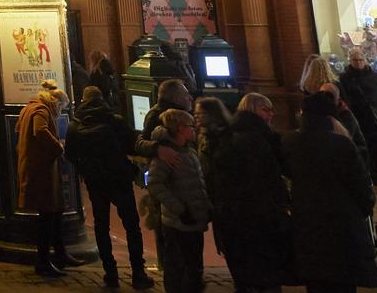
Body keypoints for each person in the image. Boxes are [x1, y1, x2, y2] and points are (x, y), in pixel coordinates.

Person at [282, 90, 377, 292]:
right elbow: (361, 185)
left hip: (307, 222)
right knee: (343, 281)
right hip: (342, 223)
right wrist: (362, 210)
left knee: (316, 281)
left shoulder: (290, 142)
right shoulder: (342, 144)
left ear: (303, 113)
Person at [201, 91, 289, 293]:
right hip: (259, 215)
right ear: (252, 110)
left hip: (231, 216)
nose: (271, 114)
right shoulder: (260, 139)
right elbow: (269, 178)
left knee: (243, 273)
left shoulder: (226, 137)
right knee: (267, 273)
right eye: (265, 109)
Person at [65, 85, 152, 289]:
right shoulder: (114, 121)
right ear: (101, 98)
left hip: (96, 182)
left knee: (101, 226)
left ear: (84, 101)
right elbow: (131, 144)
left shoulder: (75, 125)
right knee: (131, 226)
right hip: (119, 179)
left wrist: (86, 168)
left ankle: (110, 273)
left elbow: (69, 154)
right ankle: (138, 272)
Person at [146, 108, 210, 293]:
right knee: (179, 265)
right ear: (181, 128)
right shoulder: (168, 155)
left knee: (193, 263)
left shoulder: (187, 151)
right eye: (191, 126)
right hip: (178, 221)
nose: (194, 129)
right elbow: (156, 184)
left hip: (192, 219)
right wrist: (179, 208)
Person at [17, 82, 74, 277]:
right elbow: (40, 131)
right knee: (47, 214)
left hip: (39, 166)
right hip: (41, 169)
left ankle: (59, 253)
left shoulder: (30, 107)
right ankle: (43, 261)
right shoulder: (41, 110)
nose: (60, 112)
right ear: (56, 103)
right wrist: (58, 146)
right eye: (61, 108)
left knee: (53, 211)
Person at [339, 50, 377, 185]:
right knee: (363, 147)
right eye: (355, 60)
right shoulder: (345, 78)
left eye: (360, 60)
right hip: (357, 117)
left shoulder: (375, 77)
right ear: (350, 61)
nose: (358, 63)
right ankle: (367, 173)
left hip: (375, 118)